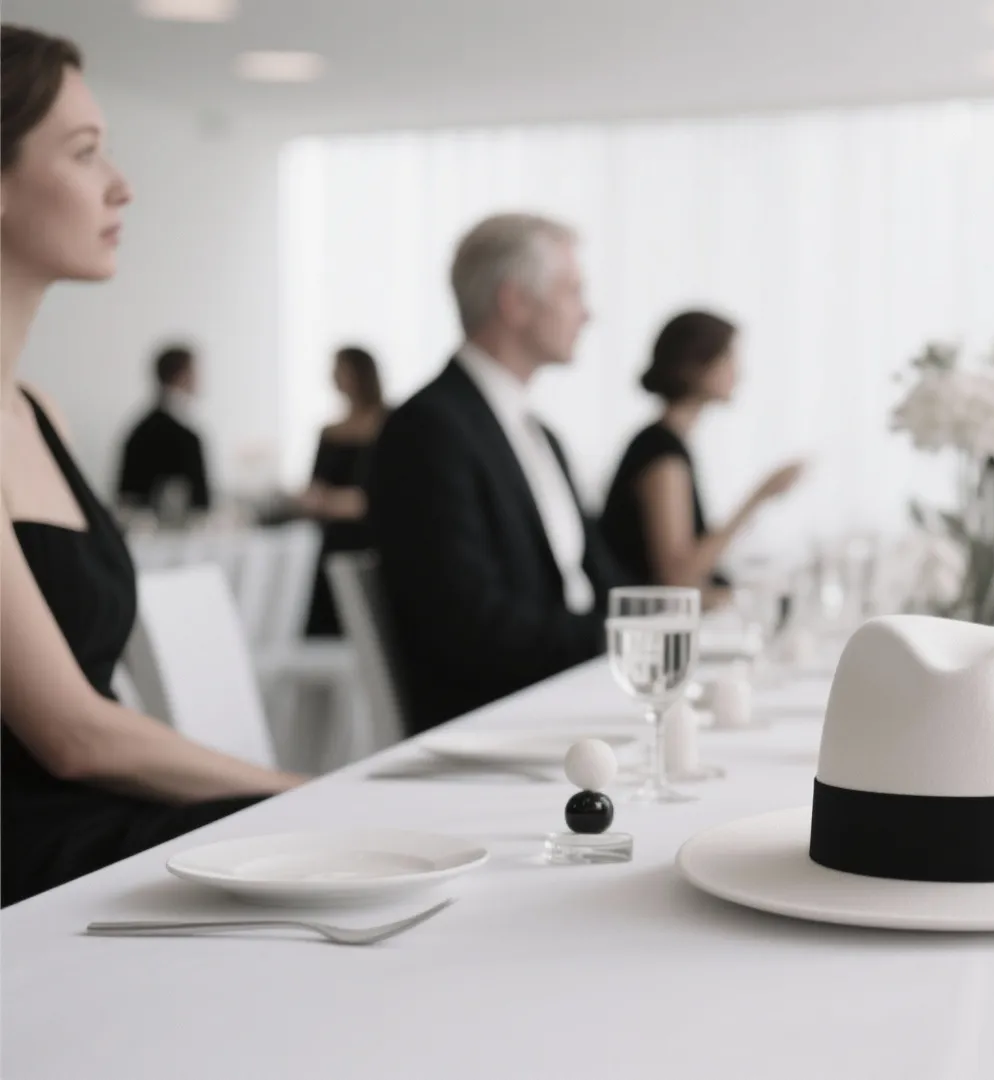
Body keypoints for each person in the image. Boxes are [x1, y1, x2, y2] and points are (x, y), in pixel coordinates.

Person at [0, 24, 300, 907]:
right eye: (86, 153)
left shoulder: (37, 412)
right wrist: (302, 794)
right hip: (32, 857)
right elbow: (72, 736)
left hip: (83, 820)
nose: (122, 184)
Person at [367, 213, 632, 733]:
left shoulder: (538, 433)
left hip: (575, 700)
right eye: (572, 291)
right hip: (500, 724)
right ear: (515, 301)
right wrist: (629, 639)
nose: (589, 313)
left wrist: (665, 626)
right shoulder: (428, 428)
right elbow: (469, 624)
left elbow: (600, 579)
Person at [601, 310, 803, 598]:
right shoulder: (661, 453)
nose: (739, 372)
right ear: (695, 365)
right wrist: (758, 497)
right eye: (728, 358)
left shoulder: (669, 444)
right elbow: (676, 579)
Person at [297, 345, 385, 636]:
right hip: (335, 539)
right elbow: (317, 487)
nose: (335, 376)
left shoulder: (389, 424)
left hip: (373, 539)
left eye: (341, 369)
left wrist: (348, 501)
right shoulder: (329, 431)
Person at [115, 342, 211, 518]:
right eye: (195, 372)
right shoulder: (185, 437)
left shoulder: (138, 430)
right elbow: (201, 504)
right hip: (173, 537)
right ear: (182, 376)